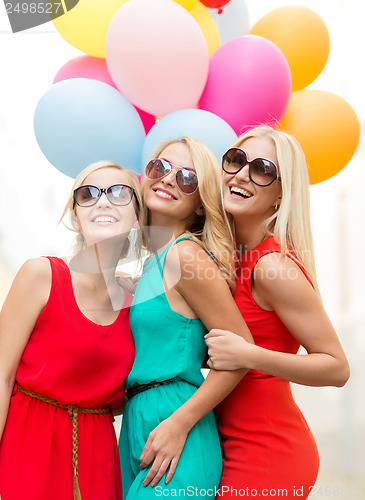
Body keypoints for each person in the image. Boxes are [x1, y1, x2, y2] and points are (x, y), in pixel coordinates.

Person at [204, 126, 350, 500]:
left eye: (263, 169)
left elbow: (336, 367)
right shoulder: (227, 258)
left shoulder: (271, 266)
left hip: (267, 452)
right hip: (225, 445)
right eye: (236, 161)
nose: (241, 174)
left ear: (281, 194)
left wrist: (247, 355)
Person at [119, 137, 254, 499]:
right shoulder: (152, 263)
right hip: (138, 420)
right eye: (160, 168)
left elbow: (241, 353)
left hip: (177, 423)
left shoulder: (186, 257)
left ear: (199, 205)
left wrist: (179, 423)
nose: (167, 179)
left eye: (187, 178)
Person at [0, 161, 142, 500]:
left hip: (97, 451)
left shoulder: (135, 303)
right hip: (28, 440)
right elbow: (1, 375)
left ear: (138, 217)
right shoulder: (41, 275)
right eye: (88, 194)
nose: (103, 201)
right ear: (76, 217)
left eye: (119, 193)